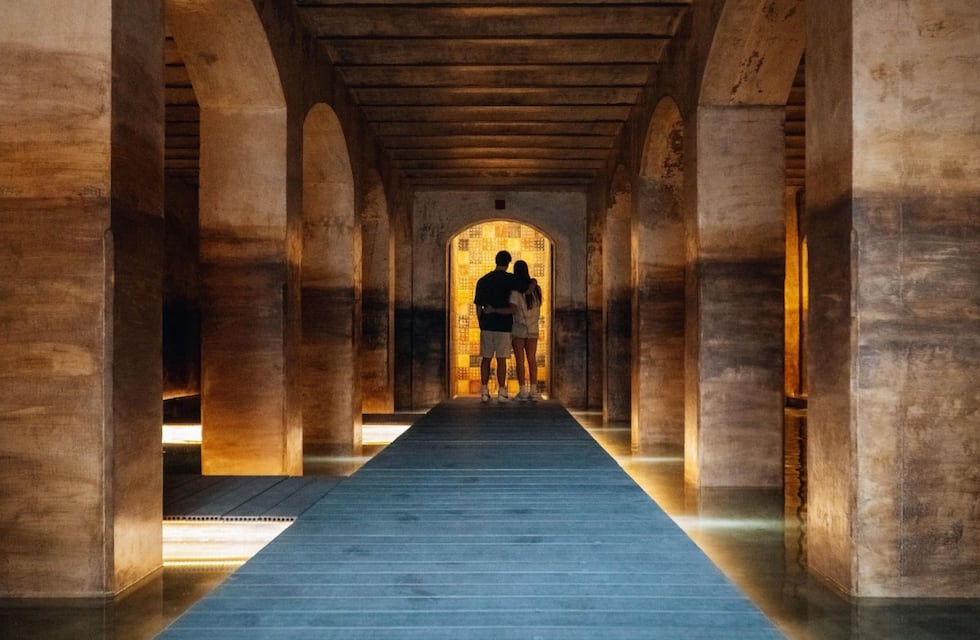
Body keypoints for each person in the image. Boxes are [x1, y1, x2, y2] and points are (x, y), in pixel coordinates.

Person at [473, 250, 517, 402]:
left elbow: (478, 306)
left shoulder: (483, 280)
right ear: (508, 263)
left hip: (487, 324)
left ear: (496, 261)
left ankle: (484, 391)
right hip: (504, 325)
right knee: (501, 359)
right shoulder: (510, 280)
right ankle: (502, 392)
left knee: (486, 358)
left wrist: (481, 321)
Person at [509, 260, 543, 401]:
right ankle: (534, 390)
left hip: (518, 328)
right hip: (533, 328)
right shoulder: (536, 289)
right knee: (532, 359)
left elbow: (513, 309)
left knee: (520, 360)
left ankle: (522, 390)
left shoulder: (515, 291)